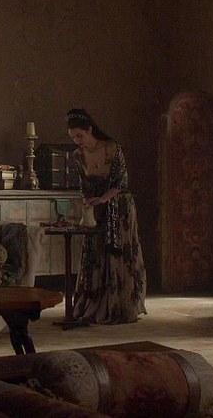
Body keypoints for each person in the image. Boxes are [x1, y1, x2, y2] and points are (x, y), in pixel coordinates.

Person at [67, 108, 147, 324]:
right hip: (96, 209)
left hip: (119, 207)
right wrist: (88, 201)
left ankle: (118, 306)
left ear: (89, 130)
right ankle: (94, 304)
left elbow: (121, 182)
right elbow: (84, 186)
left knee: (117, 255)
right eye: (73, 138)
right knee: (95, 254)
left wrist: (103, 199)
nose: (77, 141)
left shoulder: (111, 148)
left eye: (79, 136)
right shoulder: (78, 155)